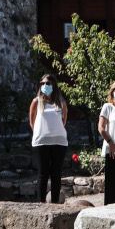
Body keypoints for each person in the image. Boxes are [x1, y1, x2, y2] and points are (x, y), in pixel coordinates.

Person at [29, 74, 67, 203]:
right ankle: (41, 203)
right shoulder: (36, 102)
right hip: (41, 143)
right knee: (43, 174)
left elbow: (64, 121)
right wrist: (40, 133)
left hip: (59, 142)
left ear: (53, 85)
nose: (45, 86)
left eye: (48, 83)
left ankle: (55, 203)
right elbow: (32, 122)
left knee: (56, 174)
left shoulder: (61, 102)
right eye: (42, 83)